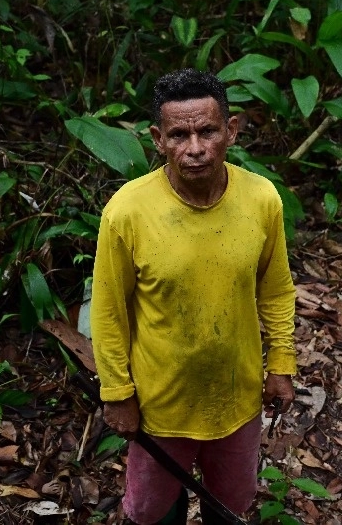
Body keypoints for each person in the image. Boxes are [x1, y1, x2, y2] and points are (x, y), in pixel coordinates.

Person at [90, 68, 297, 524]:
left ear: (232, 130)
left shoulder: (262, 199)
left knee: (230, 506)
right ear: (157, 140)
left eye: (207, 131)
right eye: (179, 135)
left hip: (237, 397)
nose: (196, 148)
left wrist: (281, 363)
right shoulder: (127, 211)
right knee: (154, 511)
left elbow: (276, 289)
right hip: (160, 404)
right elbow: (108, 312)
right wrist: (117, 392)